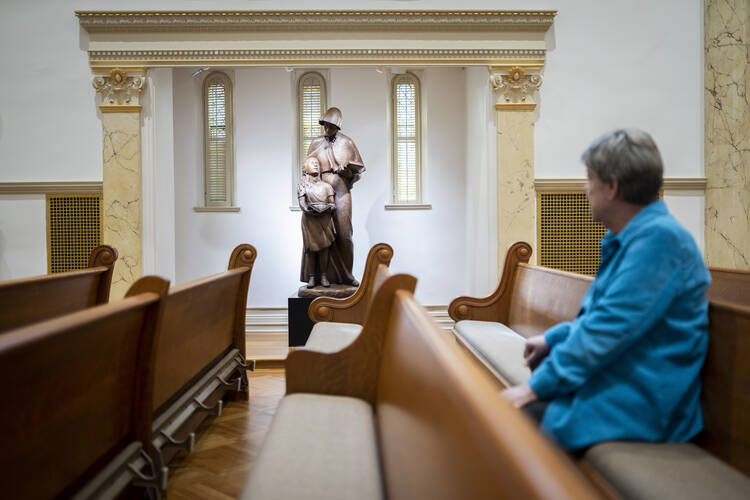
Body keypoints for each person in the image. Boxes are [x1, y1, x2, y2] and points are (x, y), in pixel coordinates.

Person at [502, 128, 711, 452]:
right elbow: (607, 317)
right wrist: (553, 338)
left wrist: (535, 388)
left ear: (611, 186)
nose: (585, 189)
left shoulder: (660, 241)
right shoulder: (633, 236)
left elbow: (608, 328)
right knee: (504, 420)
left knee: (511, 424)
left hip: (644, 401)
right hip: (621, 382)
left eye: (590, 179)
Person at [305, 107, 365, 286]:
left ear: (338, 126)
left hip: (341, 191)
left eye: (331, 127)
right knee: (320, 234)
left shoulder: (347, 143)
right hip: (320, 192)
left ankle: (347, 275)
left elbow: (359, 168)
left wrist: (346, 170)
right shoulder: (316, 143)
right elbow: (307, 167)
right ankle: (318, 277)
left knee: (344, 234)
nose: (328, 130)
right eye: (326, 126)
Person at [298, 156, 336, 288]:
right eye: (312, 163)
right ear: (305, 168)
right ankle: (312, 277)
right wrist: (309, 210)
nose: (315, 165)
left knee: (324, 249)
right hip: (310, 220)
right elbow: (302, 204)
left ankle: (324, 276)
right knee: (311, 250)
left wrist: (326, 208)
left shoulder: (327, 187)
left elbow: (333, 205)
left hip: (325, 220)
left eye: (317, 164)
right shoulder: (303, 186)